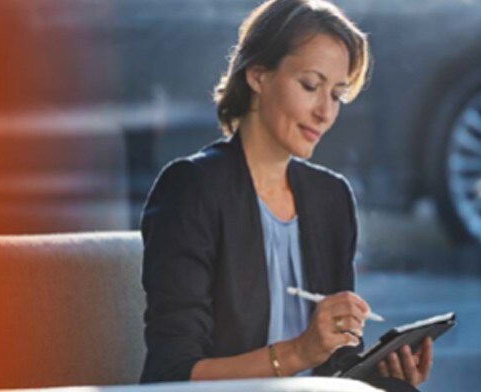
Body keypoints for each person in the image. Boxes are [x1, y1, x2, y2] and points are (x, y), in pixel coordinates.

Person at [139, 0, 433, 390]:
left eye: (337, 95)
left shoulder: (332, 198)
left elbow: (335, 363)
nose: (325, 113)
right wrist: (297, 353)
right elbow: (172, 374)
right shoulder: (190, 188)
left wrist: (380, 376)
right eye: (311, 86)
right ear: (258, 76)